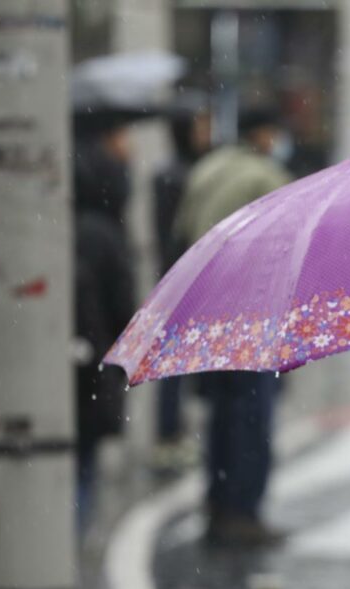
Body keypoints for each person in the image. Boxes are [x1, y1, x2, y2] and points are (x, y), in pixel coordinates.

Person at [174, 108, 293, 545]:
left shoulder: (207, 168)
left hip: (205, 308)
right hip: (250, 312)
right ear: (262, 134)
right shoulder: (266, 177)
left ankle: (219, 502)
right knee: (252, 415)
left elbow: (183, 229)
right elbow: (287, 248)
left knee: (222, 413)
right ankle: (243, 511)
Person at [73, 122, 136, 529]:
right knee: (83, 468)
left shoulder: (62, 227)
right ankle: (69, 557)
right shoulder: (107, 237)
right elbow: (123, 312)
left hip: (61, 367)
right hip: (92, 371)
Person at [151, 95, 213, 470]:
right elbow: (175, 233)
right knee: (173, 366)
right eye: (200, 125)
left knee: (181, 364)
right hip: (182, 280)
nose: (206, 133)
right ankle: (169, 434)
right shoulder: (175, 175)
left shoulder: (188, 170)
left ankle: (175, 432)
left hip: (183, 276)